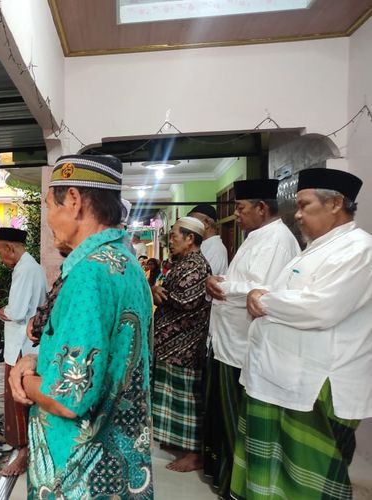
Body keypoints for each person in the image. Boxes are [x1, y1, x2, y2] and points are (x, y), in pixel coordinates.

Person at [9, 154, 153, 498]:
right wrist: (36, 360)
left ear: (73, 201)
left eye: (48, 206)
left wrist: (24, 378)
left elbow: (68, 398)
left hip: (77, 477)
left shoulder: (89, 273)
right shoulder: (124, 260)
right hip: (116, 464)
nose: (49, 219)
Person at [232, 168, 372, 500]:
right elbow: (282, 293)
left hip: (318, 384)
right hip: (282, 378)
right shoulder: (314, 249)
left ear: (336, 203)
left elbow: (320, 308)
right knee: (273, 474)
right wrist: (264, 296)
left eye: (304, 205)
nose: (296, 215)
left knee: (309, 477)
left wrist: (263, 300)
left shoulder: (358, 249)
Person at [202, 179, 299, 496]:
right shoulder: (256, 236)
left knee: (240, 422)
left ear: (262, 208)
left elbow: (263, 292)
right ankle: (231, 480)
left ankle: (241, 486)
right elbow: (243, 280)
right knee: (228, 418)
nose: (237, 216)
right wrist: (221, 281)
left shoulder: (276, 241)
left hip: (244, 347)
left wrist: (222, 287)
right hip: (230, 342)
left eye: (241, 209)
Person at [151, 216, 211, 472]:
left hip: (184, 348)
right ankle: (178, 444)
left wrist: (156, 291)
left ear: (190, 238)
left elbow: (185, 300)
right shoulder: (182, 263)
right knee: (172, 399)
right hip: (169, 346)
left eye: (175, 235)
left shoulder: (197, 265)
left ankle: (193, 454)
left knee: (185, 401)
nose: (171, 240)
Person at [0, 227, 46, 477]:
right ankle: (22, 446)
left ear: (10, 248)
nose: (1, 259)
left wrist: (2, 311)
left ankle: (24, 452)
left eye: (0, 253)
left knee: (20, 401)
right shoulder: (28, 267)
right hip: (22, 344)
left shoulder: (25, 270)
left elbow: (16, 311)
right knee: (18, 401)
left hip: (22, 347)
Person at [188, 204, 228, 276]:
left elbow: (202, 278)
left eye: (193, 222)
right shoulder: (202, 244)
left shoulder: (216, 249)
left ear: (206, 223)